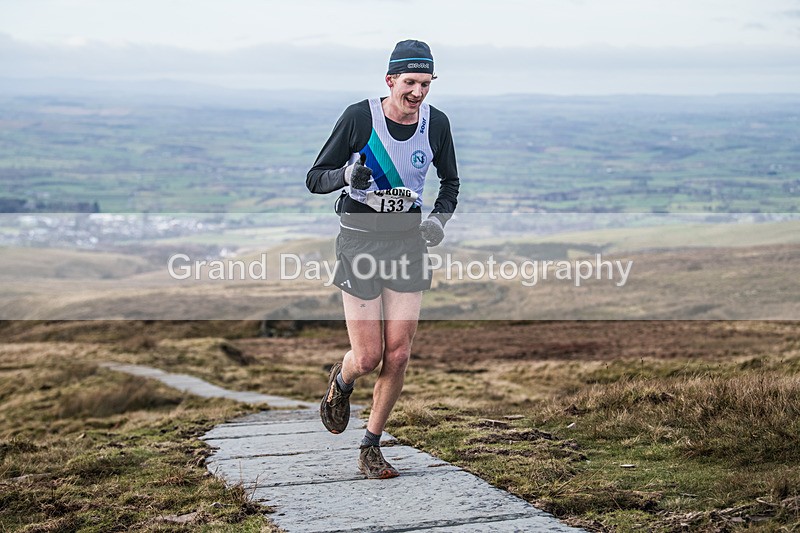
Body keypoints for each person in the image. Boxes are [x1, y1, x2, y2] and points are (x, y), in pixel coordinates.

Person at [306, 39, 459, 479]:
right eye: (410, 82)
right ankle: (342, 379)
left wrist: (438, 221)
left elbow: (451, 183)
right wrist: (344, 175)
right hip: (358, 244)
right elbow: (315, 178)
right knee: (369, 355)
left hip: (408, 244)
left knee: (399, 353)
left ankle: (371, 446)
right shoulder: (360, 117)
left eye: (425, 84)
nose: (417, 92)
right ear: (390, 80)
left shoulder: (436, 124)